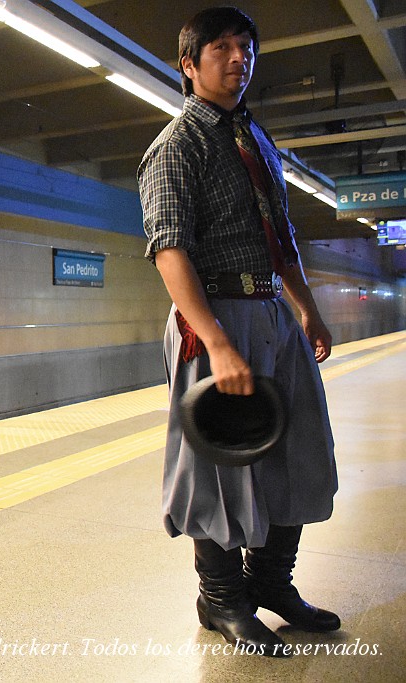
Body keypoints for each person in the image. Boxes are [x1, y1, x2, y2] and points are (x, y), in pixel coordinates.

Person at [138, 7, 339, 656]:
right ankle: (221, 598)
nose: (238, 58)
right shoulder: (176, 146)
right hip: (216, 319)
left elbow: (281, 239)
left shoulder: (257, 141)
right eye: (221, 47)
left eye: (246, 47)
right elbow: (170, 250)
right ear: (189, 65)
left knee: (298, 448)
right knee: (218, 463)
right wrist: (218, 342)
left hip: (275, 312)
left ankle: (271, 582)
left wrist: (306, 307)